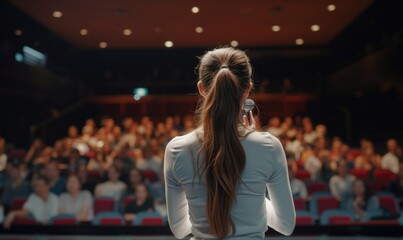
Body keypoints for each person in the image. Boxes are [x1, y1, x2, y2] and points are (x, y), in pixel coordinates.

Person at [164, 47, 295, 239]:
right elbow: (286, 225)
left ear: (201, 88)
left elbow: (179, 229)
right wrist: (254, 195)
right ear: (247, 90)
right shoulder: (268, 147)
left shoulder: (176, 149)